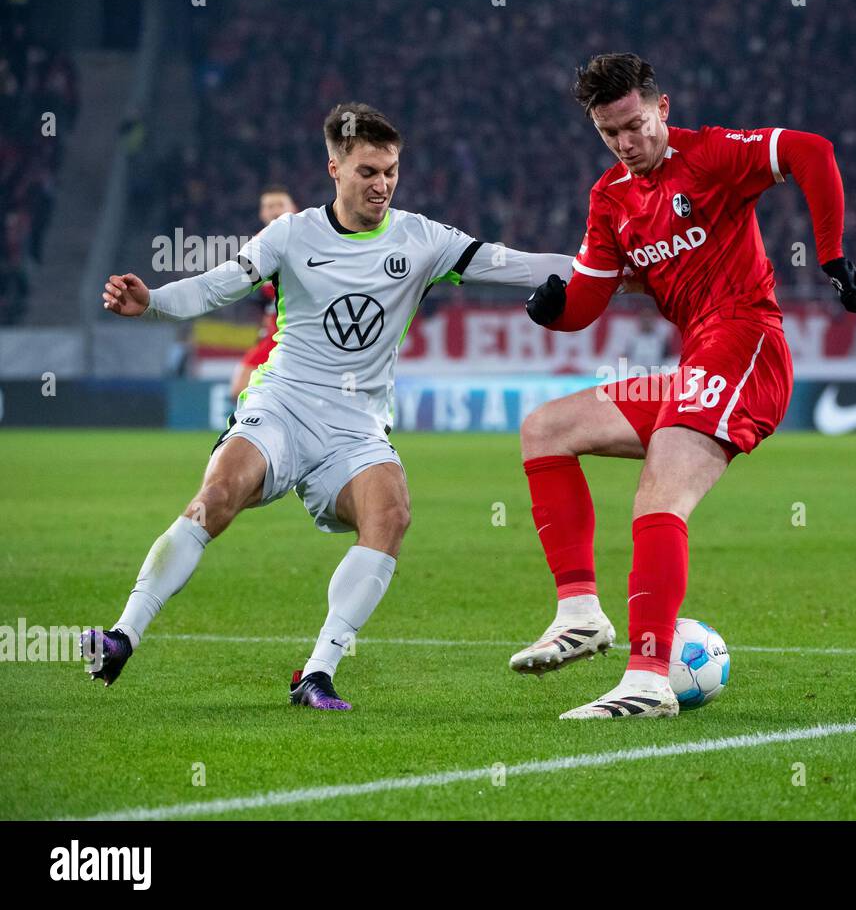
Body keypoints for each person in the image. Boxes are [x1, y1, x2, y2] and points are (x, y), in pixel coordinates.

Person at [82, 102, 574, 709]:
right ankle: (121, 635)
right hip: (282, 402)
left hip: (357, 427)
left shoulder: (423, 239)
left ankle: (317, 672)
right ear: (334, 169)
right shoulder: (292, 234)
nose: (383, 184)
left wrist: (610, 269)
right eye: (368, 171)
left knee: (390, 515)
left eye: (391, 170)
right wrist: (151, 300)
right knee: (217, 495)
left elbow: (516, 264)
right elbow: (217, 284)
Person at [512, 53, 856, 719]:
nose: (628, 143)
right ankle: (580, 612)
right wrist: (553, 311)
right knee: (545, 428)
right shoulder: (611, 199)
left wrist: (831, 256)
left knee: (660, 489)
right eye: (610, 133)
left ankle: (650, 678)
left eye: (634, 125)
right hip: (698, 365)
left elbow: (812, 151)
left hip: (746, 345)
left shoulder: (710, 156)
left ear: (662, 108)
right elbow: (586, 302)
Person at [230, 185, 297, 402]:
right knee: (239, 390)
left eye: (279, 205)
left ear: (293, 209)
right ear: (262, 213)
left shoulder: (307, 238)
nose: (275, 210)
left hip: (300, 333)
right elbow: (249, 287)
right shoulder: (256, 245)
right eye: (269, 206)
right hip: (274, 332)